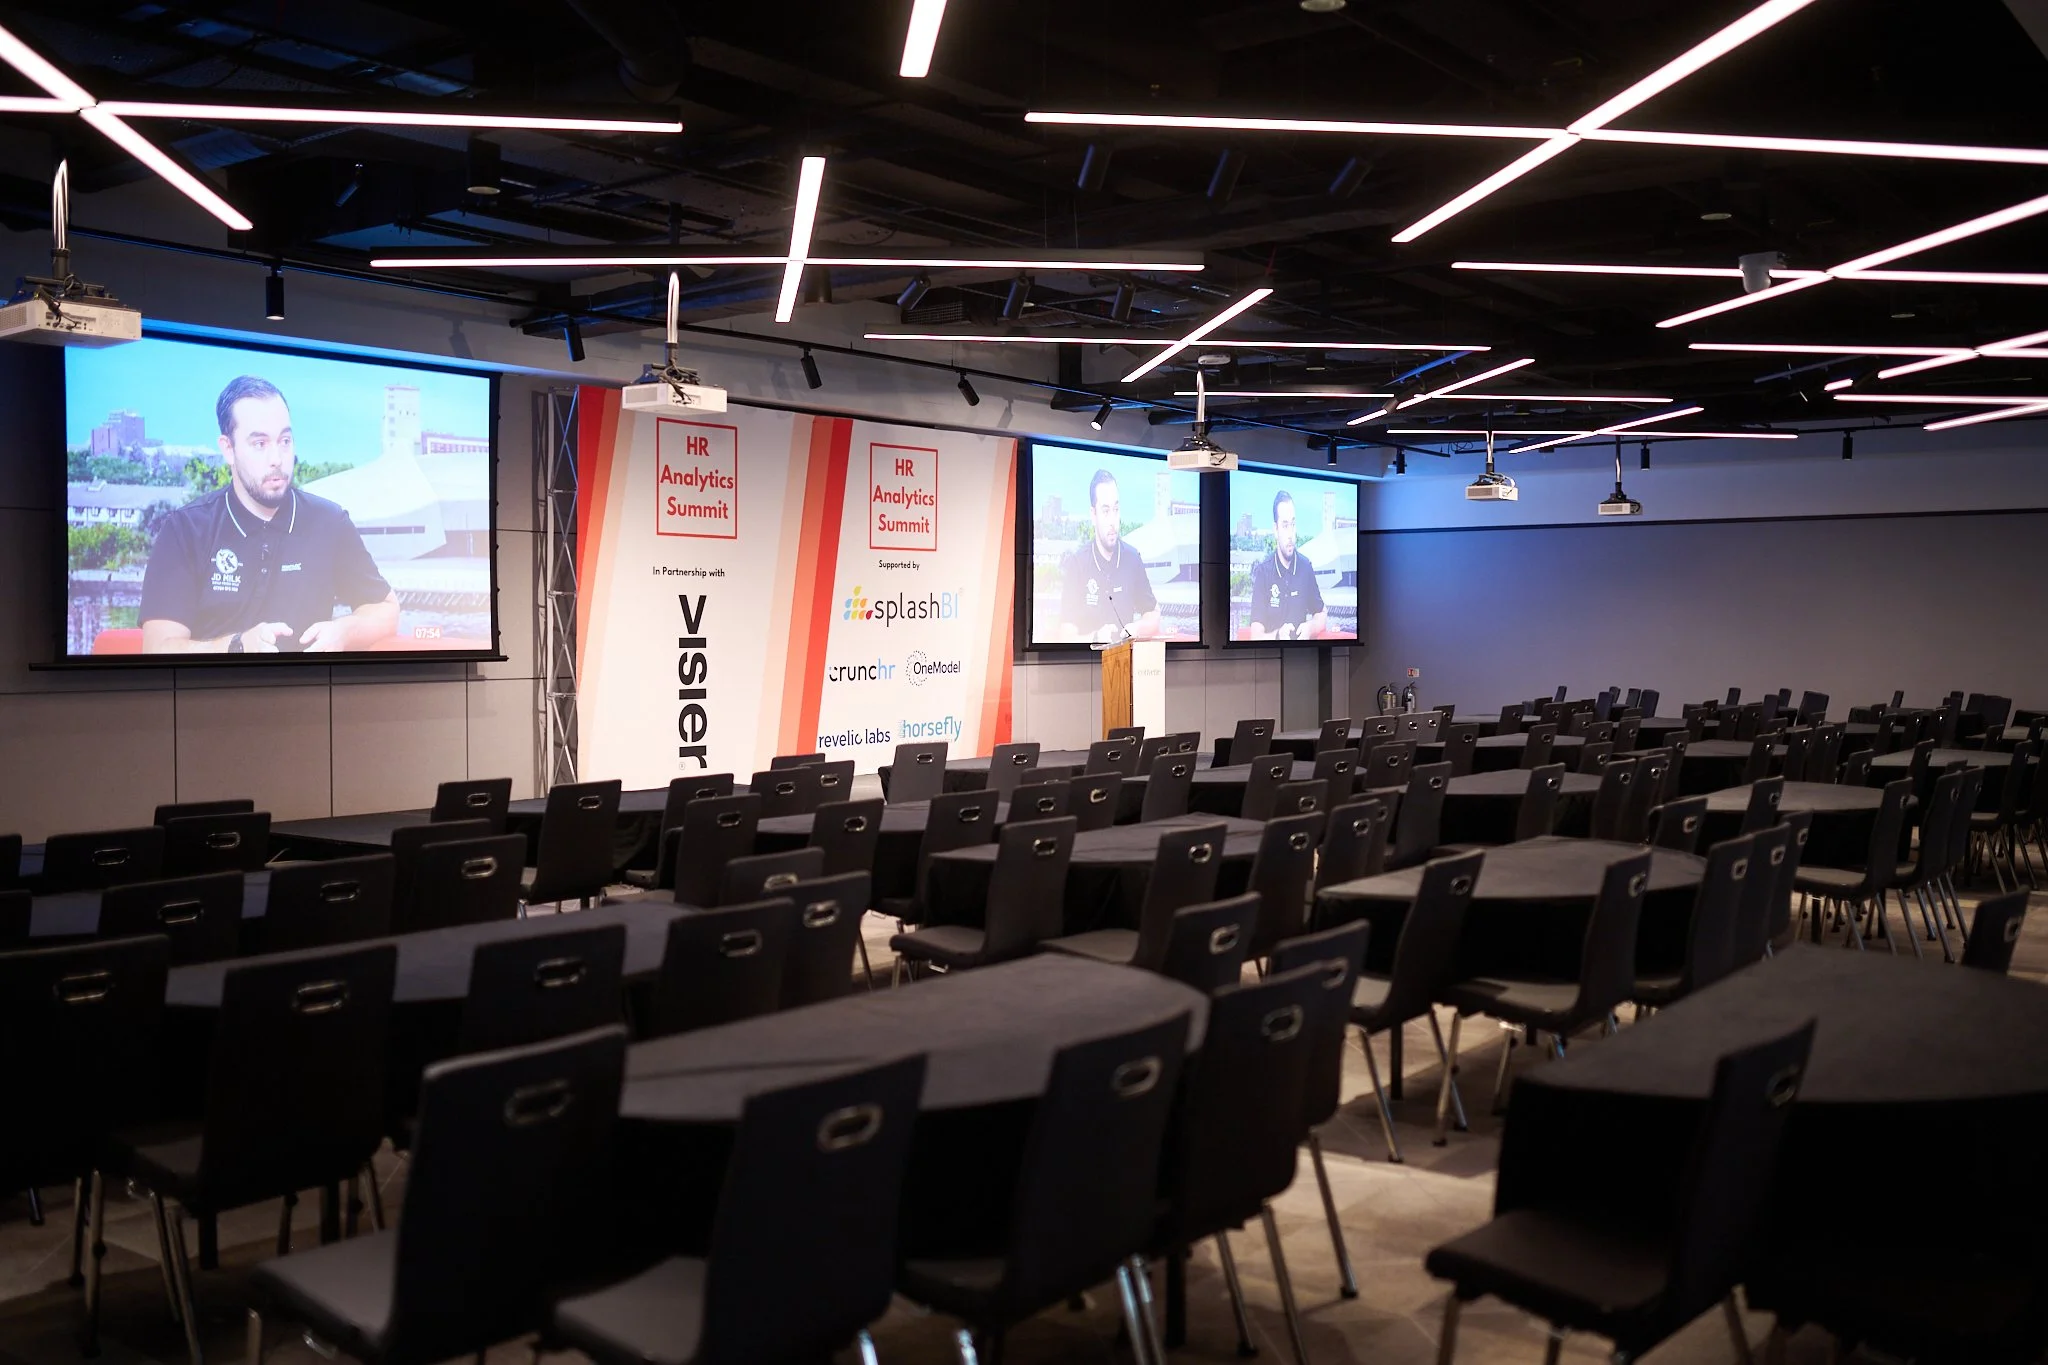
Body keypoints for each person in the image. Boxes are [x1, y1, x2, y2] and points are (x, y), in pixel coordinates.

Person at [139, 375, 399, 653]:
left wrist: (345, 631)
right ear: (228, 449)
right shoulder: (186, 529)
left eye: (285, 440)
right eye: (260, 444)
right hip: (212, 694)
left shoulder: (329, 522)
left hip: (310, 693)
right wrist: (236, 647)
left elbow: (386, 609)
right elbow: (157, 648)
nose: (277, 458)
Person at [1056, 468, 1160, 642]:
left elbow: (1153, 615)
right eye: (1105, 511)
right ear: (1093, 514)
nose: (1112, 520)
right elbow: (1065, 634)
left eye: (1116, 509)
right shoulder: (1078, 563)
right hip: (1083, 663)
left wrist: (1137, 628)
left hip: (1126, 662)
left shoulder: (1132, 558)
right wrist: (1095, 638)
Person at [1243, 488, 1326, 640]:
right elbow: (1255, 635)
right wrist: (1277, 636)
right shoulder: (1263, 571)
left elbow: (1321, 613)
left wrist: (1311, 628)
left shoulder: (1305, 566)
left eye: (1293, 524)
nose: (1290, 534)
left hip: (1302, 657)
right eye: (1285, 525)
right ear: (1276, 529)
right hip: (1268, 660)